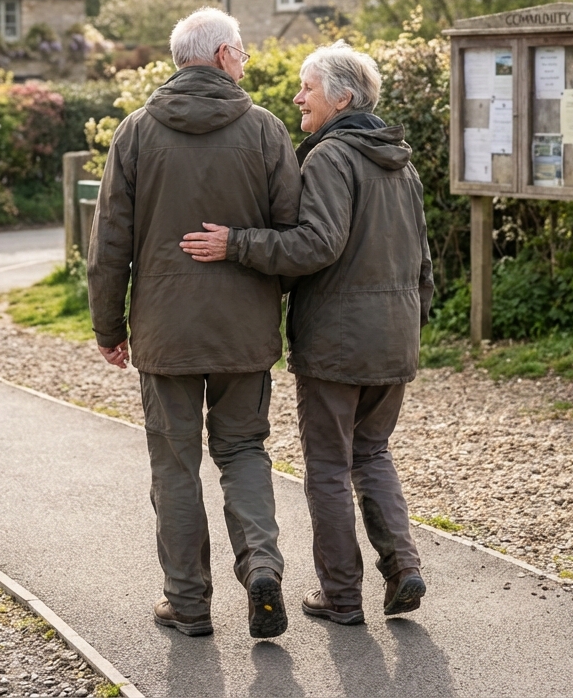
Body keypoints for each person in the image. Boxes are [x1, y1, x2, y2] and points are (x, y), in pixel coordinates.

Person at [180, 40, 433, 625]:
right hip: (395, 337)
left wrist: (236, 243)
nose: (298, 96)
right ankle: (404, 568)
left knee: (326, 465)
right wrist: (411, 322)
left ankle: (341, 596)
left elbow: (317, 244)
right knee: (372, 452)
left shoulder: (329, 158)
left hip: (339, 341)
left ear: (342, 96)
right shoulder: (403, 162)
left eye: (308, 87)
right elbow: (421, 260)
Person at [87, 7, 301, 639]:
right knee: (243, 453)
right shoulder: (265, 131)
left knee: (175, 467)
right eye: (241, 53)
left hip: (164, 334)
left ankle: (188, 604)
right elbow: (295, 236)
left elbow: (108, 248)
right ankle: (262, 566)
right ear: (221, 55)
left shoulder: (134, 133)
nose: (244, 63)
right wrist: (266, 296)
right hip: (244, 333)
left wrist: (109, 328)